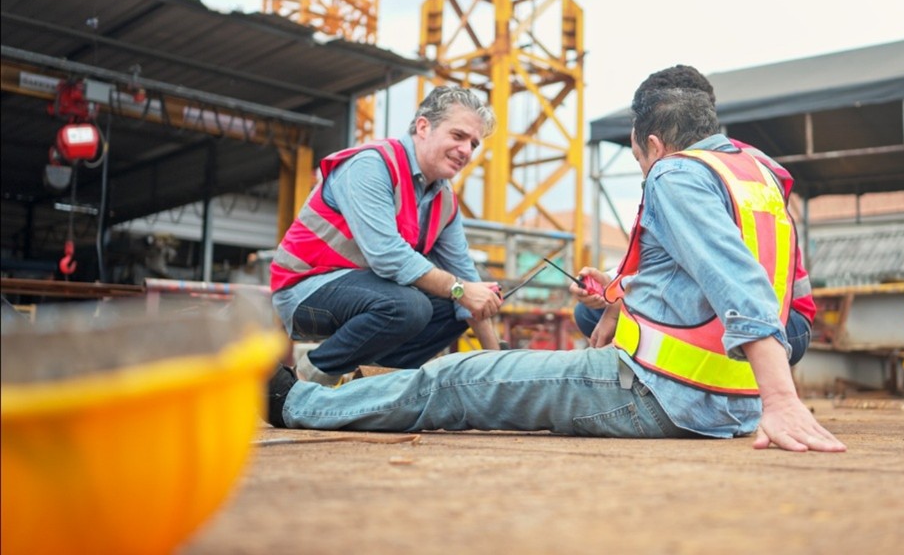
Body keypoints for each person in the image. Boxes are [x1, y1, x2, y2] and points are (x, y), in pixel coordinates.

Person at [263, 74, 846, 453]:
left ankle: (301, 402)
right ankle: (333, 380)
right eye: (458, 137)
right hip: (727, 401)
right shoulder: (761, 176)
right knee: (439, 318)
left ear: (650, 143)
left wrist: (781, 399)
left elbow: (732, 279)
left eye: (640, 158)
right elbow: (751, 287)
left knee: (454, 378)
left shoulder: (675, 171)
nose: (466, 152)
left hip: (660, 392)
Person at [571, 65, 815, 366]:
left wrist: (621, 301)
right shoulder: (751, 163)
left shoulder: (682, 176)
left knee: (603, 314)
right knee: (598, 310)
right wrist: (612, 282)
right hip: (790, 317)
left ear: (654, 142)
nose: (644, 168)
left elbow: (722, 271)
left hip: (769, 320)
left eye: (639, 157)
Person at [269, 86, 505, 385]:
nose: (466, 151)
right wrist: (461, 290)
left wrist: (498, 364)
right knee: (412, 305)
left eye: (474, 144)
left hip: (370, 294)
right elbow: (387, 255)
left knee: (453, 307)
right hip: (306, 291)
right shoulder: (371, 165)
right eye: (458, 136)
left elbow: (467, 282)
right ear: (423, 126)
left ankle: (367, 382)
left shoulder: (444, 200)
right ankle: (305, 382)